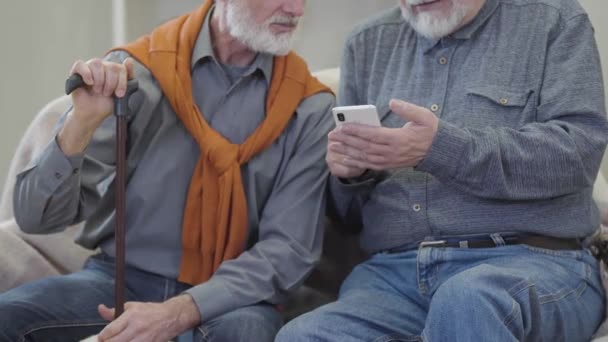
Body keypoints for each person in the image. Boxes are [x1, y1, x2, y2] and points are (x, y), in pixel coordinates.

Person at [0, 0, 334, 340]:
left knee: (243, 333)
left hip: (231, 301)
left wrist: (181, 311)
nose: (296, 9)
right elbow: (33, 218)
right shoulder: (136, 72)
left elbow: (289, 249)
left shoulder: (310, 108)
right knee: (7, 318)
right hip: (118, 281)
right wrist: (80, 124)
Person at [276, 0, 608, 341]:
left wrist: (440, 149)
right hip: (392, 280)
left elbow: (578, 157)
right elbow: (348, 217)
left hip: (531, 262)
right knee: (302, 335)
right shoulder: (366, 43)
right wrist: (351, 174)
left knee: (469, 299)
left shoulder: (554, 19)